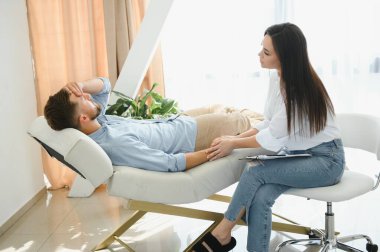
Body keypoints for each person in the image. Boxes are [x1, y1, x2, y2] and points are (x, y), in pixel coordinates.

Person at [193, 23, 345, 252]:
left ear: (285, 57)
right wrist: (234, 138)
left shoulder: (298, 91)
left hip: (326, 161)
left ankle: (223, 231)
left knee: (255, 172)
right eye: (261, 49)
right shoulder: (278, 78)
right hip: (300, 156)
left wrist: (233, 143)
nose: (259, 55)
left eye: (266, 52)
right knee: (261, 196)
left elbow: (273, 138)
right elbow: (269, 123)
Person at [44, 77, 262, 172]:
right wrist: (215, 150)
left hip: (178, 121)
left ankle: (248, 117)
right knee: (248, 121)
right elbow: (170, 163)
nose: (89, 96)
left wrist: (80, 86)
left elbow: (104, 85)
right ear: (83, 118)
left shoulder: (97, 121)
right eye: (83, 99)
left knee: (220, 106)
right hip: (194, 136)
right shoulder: (116, 144)